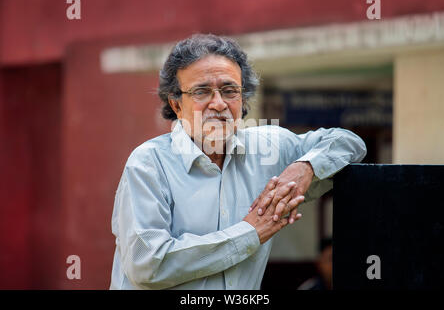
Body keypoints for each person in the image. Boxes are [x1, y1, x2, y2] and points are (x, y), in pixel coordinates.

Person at [109, 34, 366, 290]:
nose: (219, 103)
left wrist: (305, 168)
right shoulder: (149, 163)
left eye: (230, 90)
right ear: (176, 105)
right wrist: (250, 233)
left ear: (242, 99)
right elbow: (147, 265)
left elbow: (350, 143)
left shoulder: (268, 148)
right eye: (202, 91)